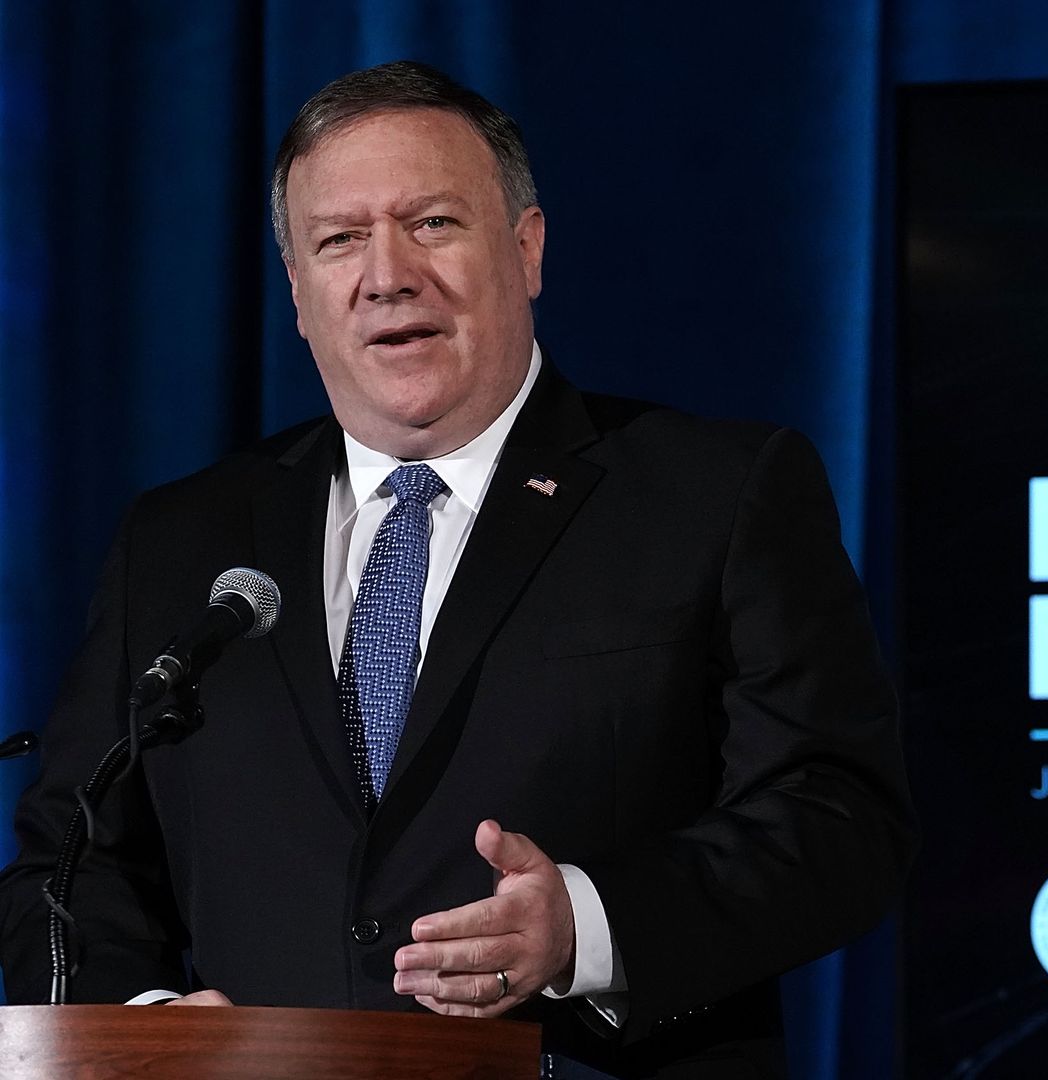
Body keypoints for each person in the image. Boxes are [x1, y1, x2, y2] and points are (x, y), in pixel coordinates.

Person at [0, 60, 913, 1078]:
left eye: (432, 223)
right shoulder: (179, 543)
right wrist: (148, 1021)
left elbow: (839, 822)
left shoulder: (715, 493)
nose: (387, 273)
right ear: (300, 297)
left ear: (525, 249)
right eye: (339, 240)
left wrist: (586, 924)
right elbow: (67, 858)